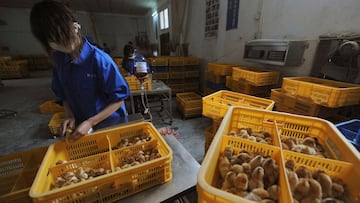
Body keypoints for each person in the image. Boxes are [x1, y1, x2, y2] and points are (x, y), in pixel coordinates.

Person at [30, 0, 130, 141]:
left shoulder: (100, 60)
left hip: (109, 124)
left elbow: (118, 99)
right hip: (81, 126)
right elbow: (63, 94)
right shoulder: (59, 61)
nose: (60, 45)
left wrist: (91, 122)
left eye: (62, 38)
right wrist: (70, 115)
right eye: (53, 42)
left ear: (75, 27)